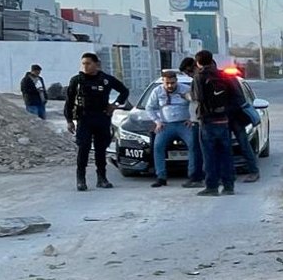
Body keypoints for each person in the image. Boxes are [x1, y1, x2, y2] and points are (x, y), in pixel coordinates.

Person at [64, 52, 129, 191]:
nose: (85, 66)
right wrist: (69, 120)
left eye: (88, 63)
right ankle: (81, 179)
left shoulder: (105, 79)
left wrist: (115, 104)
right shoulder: (77, 80)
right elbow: (69, 101)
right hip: (84, 119)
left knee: (101, 150)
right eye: (84, 64)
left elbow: (124, 91)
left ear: (96, 64)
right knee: (84, 148)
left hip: (102, 118)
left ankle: (102, 178)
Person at [191, 50, 236, 196]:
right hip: (223, 120)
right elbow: (233, 96)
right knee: (226, 154)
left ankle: (212, 186)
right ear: (212, 60)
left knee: (209, 155)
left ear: (197, 62)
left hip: (207, 120)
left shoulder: (199, 76)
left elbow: (199, 97)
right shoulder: (223, 75)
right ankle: (229, 186)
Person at [145, 70, 197, 187]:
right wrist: (157, 121)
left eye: (172, 83)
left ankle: (193, 175)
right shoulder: (157, 91)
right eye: (167, 83)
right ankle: (161, 176)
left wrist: (192, 118)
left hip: (184, 124)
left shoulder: (185, 89)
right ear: (163, 81)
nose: (170, 86)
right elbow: (149, 108)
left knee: (193, 144)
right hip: (165, 124)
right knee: (158, 146)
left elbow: (195, 104)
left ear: (176, 81)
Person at [178, 57, 205, 187]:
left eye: (188, 72)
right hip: (203, 120)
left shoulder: (198, 79)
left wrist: (185, 96)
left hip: (199, 121)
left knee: (197, 150)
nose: (188, 75)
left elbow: (196, 97)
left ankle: (197, 177)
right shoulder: (204, 77)